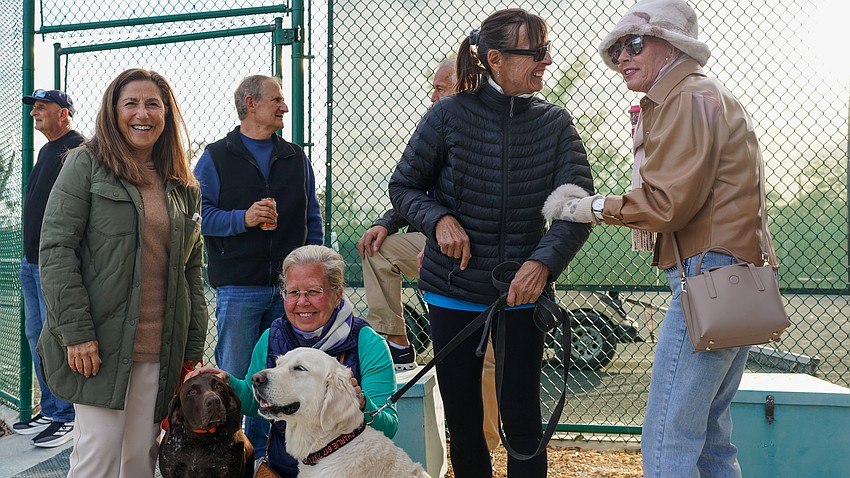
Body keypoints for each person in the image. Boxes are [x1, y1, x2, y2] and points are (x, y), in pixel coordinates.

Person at [544, 0, 779, 476]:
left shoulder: (687, 98)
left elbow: (668, 205)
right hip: (730, 278)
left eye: (634, 44)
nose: (622, 57)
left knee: (668, 436)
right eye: (616, 50)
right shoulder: (697, 96)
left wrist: (585, 206)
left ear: (671, 46)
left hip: (707, 276)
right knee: (710, 439)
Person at [389, 8, 593, 477]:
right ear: (496, 59)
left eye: (547, 50)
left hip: (522, 294)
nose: (546, 60)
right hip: (453, 292)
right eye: (536, 52)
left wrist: (542, 266)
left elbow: (576, 207)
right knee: (463, 424)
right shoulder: (446, 115)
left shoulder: (556, 124)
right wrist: (438, 219)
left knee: (523, 423)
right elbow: (404, 187)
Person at [36, 68, 208, 477]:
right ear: (113, 112)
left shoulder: (182, 185)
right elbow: (56, 250)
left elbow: (191, 272)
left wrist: (192, 348)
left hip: (159, 345)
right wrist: (77, 333)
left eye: (153, 104)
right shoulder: (84, 165)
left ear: (166, 114)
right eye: (130, 103)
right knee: (99, 454)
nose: (141, 113)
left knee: (140, 457)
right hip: (98, 345)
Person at [358, 58, 502, 454]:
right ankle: (396, 339)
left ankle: (485, 444)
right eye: (434, 88)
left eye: (442, 87)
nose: (434, 95)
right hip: (436, 243)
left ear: (469, 85)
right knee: (377, 249)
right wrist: (387, 223)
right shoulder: (436, 125)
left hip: (487, 257)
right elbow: (412, 186)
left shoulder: (495, 127)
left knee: (483, 357)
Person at [193, 74, 324, 457]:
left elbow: (311, 216)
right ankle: (228, 457)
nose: (284, 106)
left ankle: (270, 459)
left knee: (282, 382)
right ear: (250, 104)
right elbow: (198, 216)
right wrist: (244, 219)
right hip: (238, 287)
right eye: (277, 100)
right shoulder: (215, 156)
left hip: (289, 292)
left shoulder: (296, 157)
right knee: (233, 378)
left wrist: (311, 266)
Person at [188, 245, 397, 478]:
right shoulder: (272, 337)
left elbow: (388, 425)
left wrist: (358, 403)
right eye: (293, 292)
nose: (302, 302)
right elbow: (253, 401)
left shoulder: (366, 343)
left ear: (337, 295)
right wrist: (227, 383)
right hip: (285, 471)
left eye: (313, 292)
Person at [13, 89, 84, 447]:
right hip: (32, 262)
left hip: (55, 264)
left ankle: (67, 415)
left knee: (55, 339)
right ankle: (52, 406)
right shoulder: (46, 150)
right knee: (36, 337)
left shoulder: (79, 149)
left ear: (65, 113)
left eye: (43, 106)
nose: (35, 112)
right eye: (34, 107)